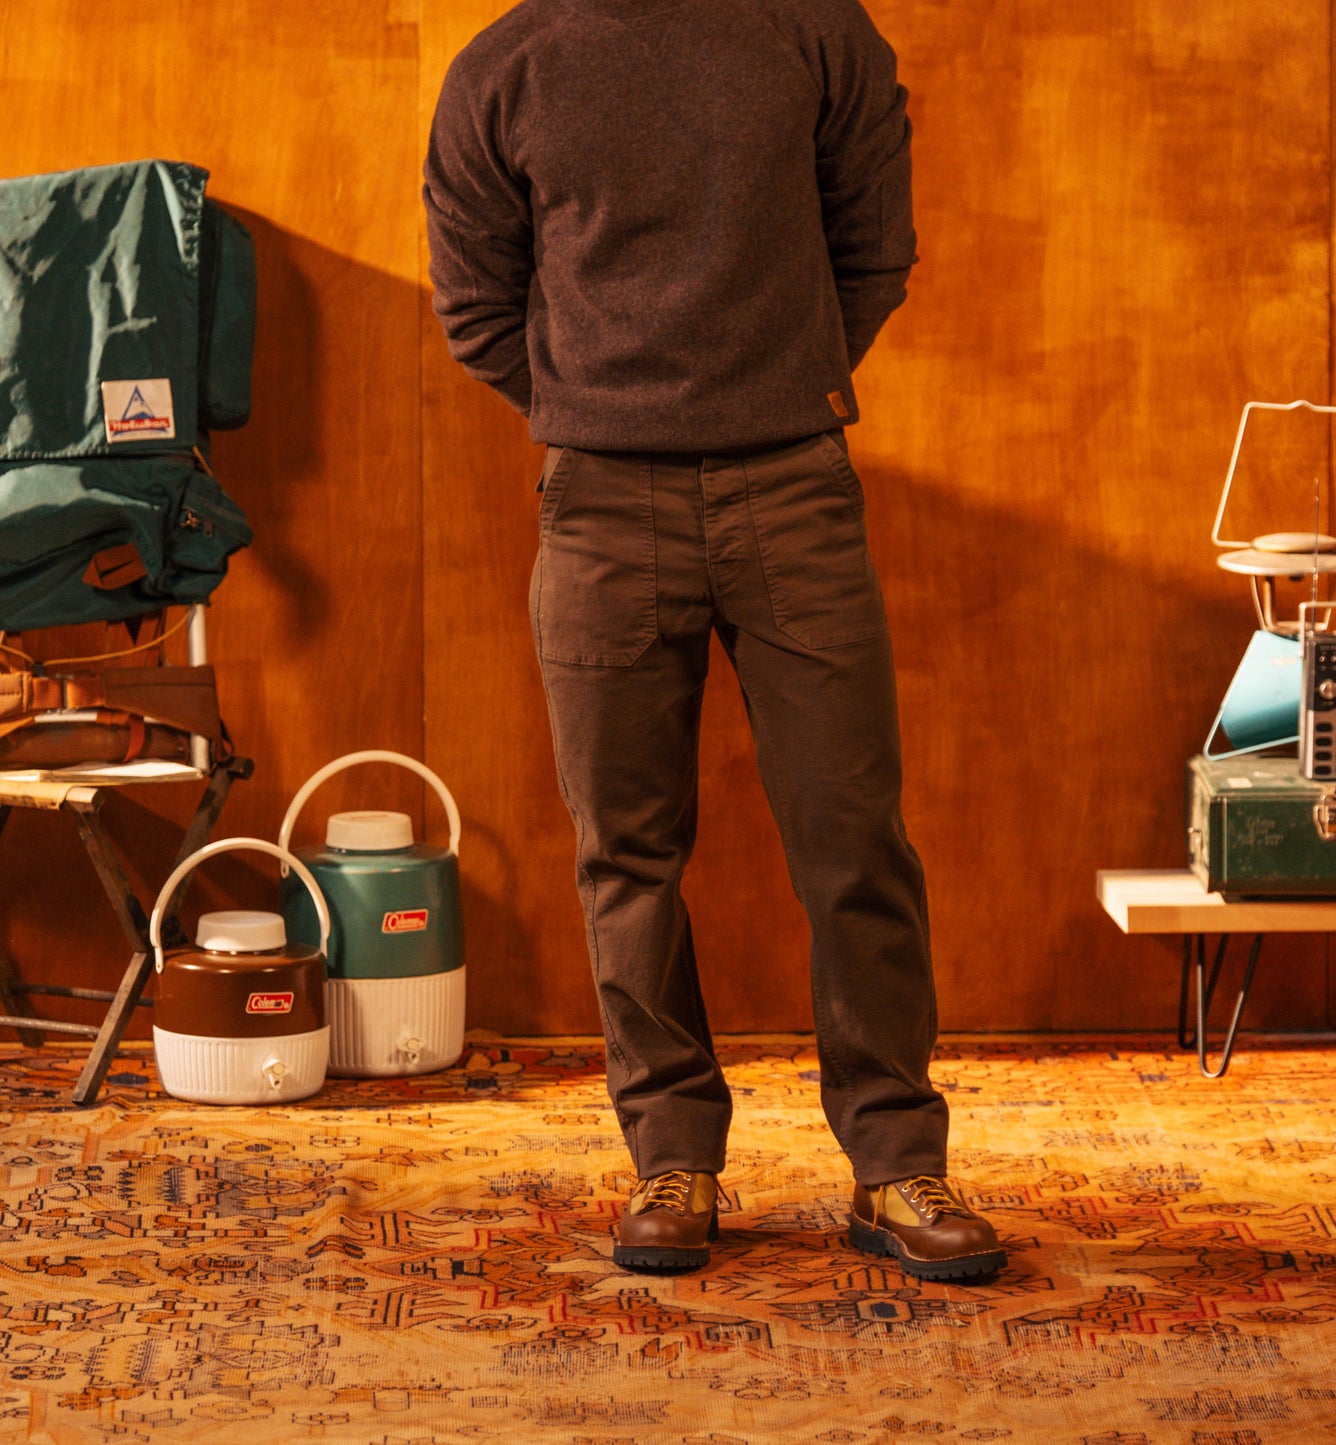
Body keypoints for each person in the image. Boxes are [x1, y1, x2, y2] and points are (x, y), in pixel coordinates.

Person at [423, 0, 1005, 1283]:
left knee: (853, 838)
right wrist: (593, 407)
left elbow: (875, 246)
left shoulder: (813, 30)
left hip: (792, 484)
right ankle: (670, 1158)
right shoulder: (504, 67)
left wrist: (775, 392)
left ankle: (897, 1164)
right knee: (624, 850)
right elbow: (472, 304)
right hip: (597, 502)